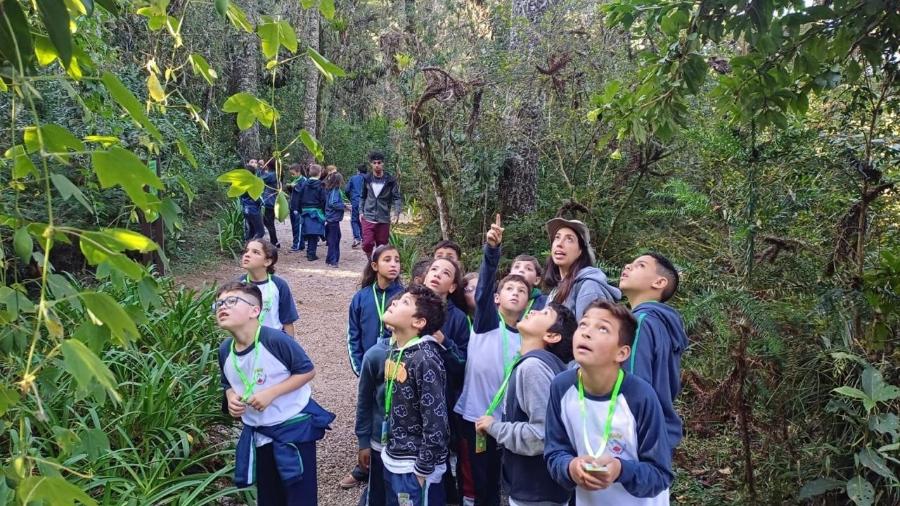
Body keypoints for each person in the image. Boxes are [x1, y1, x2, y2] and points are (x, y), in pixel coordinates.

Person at [215, 281, 334, 506]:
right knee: (269, 495)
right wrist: (231, 398)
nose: (223, 306)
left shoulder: (275, 340)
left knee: (299, 495)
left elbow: (307, 371)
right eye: (219, 303)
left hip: (293, 430)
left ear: (255, 310)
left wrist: (271, 393)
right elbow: (227, 383)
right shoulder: (225, 350)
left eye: (231, 301)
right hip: (258, 433)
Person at [544, 300, 673, 505]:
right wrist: (570, 467)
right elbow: (554, 451)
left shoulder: (640, 396)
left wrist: (620, 469)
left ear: (621, 353)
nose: (586, 333)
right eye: (583, 324)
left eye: (603, 328)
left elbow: (660, 474)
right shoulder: (561, 387)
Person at [454, 216, 530, 506]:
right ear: (498, 299)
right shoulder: (487, 322)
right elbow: (484, 288)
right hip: (477, 418)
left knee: (504, 482)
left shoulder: (528, 335)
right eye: (510, 289)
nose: (515, 293)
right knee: (480, 481)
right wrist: (492, 251)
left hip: (509, 423)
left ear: (527, 302)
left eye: (522, 291)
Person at [475, 302, 577, 506]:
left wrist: (494, 427)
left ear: (552, 336)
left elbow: (541, 435)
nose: (533, 311)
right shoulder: (545, 364)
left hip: (537, 491)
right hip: (542, 488)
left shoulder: (533, 367)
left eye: (545, 313)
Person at [380, 284, 450, 506]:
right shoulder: (398, 349)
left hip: (416, 467)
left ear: (418, 322)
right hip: (395, 458)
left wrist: (422, 471)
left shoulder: (425, 359)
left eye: (404, 302)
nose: (394, 302)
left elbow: (436, 421)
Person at [619, 252, 688, 451]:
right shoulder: (662, 323)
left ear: (659, 282)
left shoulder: (640, 323)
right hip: (658, 438)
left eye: (639, 265)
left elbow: (632, 383)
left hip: (634, 438)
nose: (627, 266)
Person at [543, 218, 620, 321]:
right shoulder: (556, 290)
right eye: (557, 237)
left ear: (580, 251)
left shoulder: (590, 287)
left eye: (569, 239)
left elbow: (592, 334)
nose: (559, 244)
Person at [354, 333, 392, 505]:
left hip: (412, 452)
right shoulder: (375, 355)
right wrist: (363, 442)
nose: (394, 305)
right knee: (377, 493)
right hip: (379, 443)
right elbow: (364, 401)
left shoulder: (425, 354)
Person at [239, 239, 298, 337]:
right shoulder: (237, 285)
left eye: (255, 252)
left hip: (274, 342)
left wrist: (289, 348)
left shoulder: (279, 285)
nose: (247, 254)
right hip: (246, 342)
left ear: (267, 262)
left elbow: (287, 321)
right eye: (246, 251)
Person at [360, 151, 402, 258]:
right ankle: (370, 261)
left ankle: (378, 266)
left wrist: (396, 213)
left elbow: (397, 198)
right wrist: (361, 211)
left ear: (383, 164)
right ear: (371, 164)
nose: (377, 165)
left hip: (383, 218)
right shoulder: (367, 179)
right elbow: (363, 196)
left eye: (379, 163)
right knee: (367, 244)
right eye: (374, 163)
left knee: (382, 246)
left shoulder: (390, 180)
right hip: (368, 216)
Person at [292, 164, 327, 261]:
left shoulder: (304, 184)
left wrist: (298, 210)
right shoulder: (321, 185)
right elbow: (323, 200)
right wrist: (325, 212)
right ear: (320, 173)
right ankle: (311, 254)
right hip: (317, 212)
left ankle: (309, 252)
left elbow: (298, 197)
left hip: (305, 211)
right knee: (314, 233)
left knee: (308, 232)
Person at [324, 171, 346, 268]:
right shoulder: (335, 191)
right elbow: (333, 203)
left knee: (336, 238)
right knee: (334, 240)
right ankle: (333, 260)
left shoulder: (331, 190)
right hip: (332, 219)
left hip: (332, 219)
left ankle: (330, 259)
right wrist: (343, 206)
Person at [240, 160, 265, 241]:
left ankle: (247, 248)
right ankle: (252, 248)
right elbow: (256, 197)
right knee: (260, 232)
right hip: (253, 209)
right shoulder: (252, 183)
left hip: (246, 208)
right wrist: (262, 203)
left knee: (251, 231)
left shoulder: (242, 182)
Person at [345, 163, 367, 249]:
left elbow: (347, 190)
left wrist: (351, 198)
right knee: (364, 220)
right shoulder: (369, 178)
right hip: (367, 203)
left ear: (358, 171)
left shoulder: (353, 178)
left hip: (356, 201)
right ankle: (364, 239)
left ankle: (357, 238)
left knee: (354, 220)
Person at [286, 164, 308, 252]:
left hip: (299, 207)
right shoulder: (296, 179)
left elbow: (301, 191)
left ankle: (297, 245)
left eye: (293, 173)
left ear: (298, 172)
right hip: (293, 206)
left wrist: (293, 186)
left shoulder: (304, 180)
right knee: (294, 227)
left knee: (298, 227)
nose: (292, 176)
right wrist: (289, 187)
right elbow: (293, 192)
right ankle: (298, 244)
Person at [260, 159, 281, 248]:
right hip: (273, 201)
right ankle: (275, 241)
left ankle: (274, 242)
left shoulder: (271, 175)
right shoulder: (276, 174)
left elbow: (259, 179)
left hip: (269, 201)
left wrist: (261, 169)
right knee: (269, 222)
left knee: (268, 222)